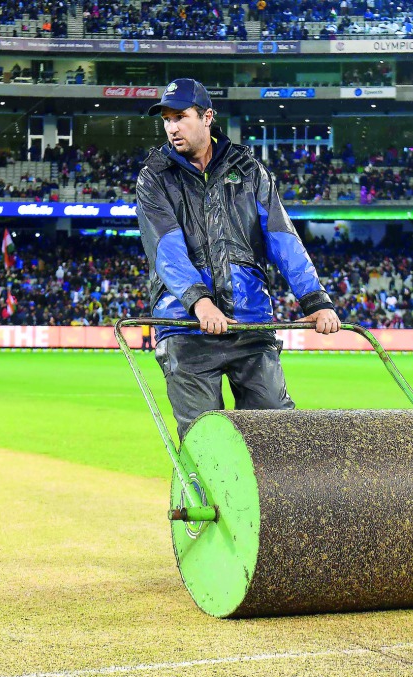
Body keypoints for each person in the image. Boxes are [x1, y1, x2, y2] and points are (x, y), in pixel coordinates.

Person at [136, 78, 339, 439]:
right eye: (166, 120)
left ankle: (269, 499)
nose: (172, 127)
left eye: (180, 117)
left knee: (277, 434)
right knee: (205, 440)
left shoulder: (249, 170)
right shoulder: (154, 177)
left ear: (207, 116)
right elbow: (166, 250)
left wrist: (316, 300)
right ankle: (198, 498)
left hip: (250, 324)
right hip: (186, 327)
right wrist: (199, 303)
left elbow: (283, 239)